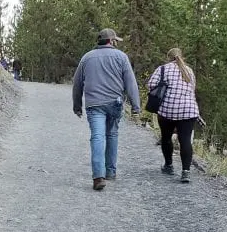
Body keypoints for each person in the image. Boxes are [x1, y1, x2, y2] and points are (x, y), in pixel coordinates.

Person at [72, 28, 141, 191]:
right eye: (115, 40)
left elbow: (77, 83)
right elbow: (131, 82)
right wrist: (135, 106)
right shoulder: (121, 57)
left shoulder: (86, 58)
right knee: (112, 134)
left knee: (97, 136)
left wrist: (77, 106)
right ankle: (110, 172)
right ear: (111, 41)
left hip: (94, 104)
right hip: (114, 103)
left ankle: (98, 177)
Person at [147, 47, 201, 183]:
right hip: (189, 110)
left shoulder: (163, 69)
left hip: (168, 109)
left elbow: (151, 84)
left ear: (168, 57)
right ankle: (186, 172)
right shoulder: (189, 71)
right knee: (185, 140)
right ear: (181, 56)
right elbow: (192, 89)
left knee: (166, 137)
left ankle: (169, 165)